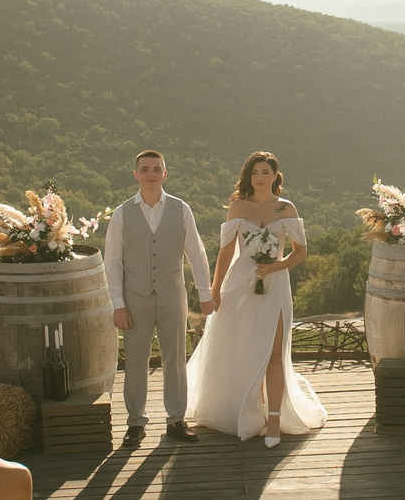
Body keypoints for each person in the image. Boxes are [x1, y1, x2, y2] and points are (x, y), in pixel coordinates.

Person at [186, 151, 329, 447]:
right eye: (255, 173)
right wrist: (214, 292)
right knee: (245, 349)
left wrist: (275, 266)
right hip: (239, 285)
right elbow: (226, 251)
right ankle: (251, 413)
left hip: (275, 284)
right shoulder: (238, 207)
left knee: (274, 352)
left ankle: (274, 419)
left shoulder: (286, 209)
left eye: (265, 172)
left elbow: (301, 251)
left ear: (275, 176)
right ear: (248, 177)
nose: (260, 178)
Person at [103, 150, 214, 447]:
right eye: (145, 169)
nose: (151, 174)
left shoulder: (181, 209)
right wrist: (118, 304)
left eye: (157, 169)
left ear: (165, 174)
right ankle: (136, 422)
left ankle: (176, 419)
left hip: (171, 292)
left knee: (175, 358)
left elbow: (197, 254)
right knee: (136, 361)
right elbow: (112, 260)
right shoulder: (122, 213)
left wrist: (205, 293)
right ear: (135, 174)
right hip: (134, 296)